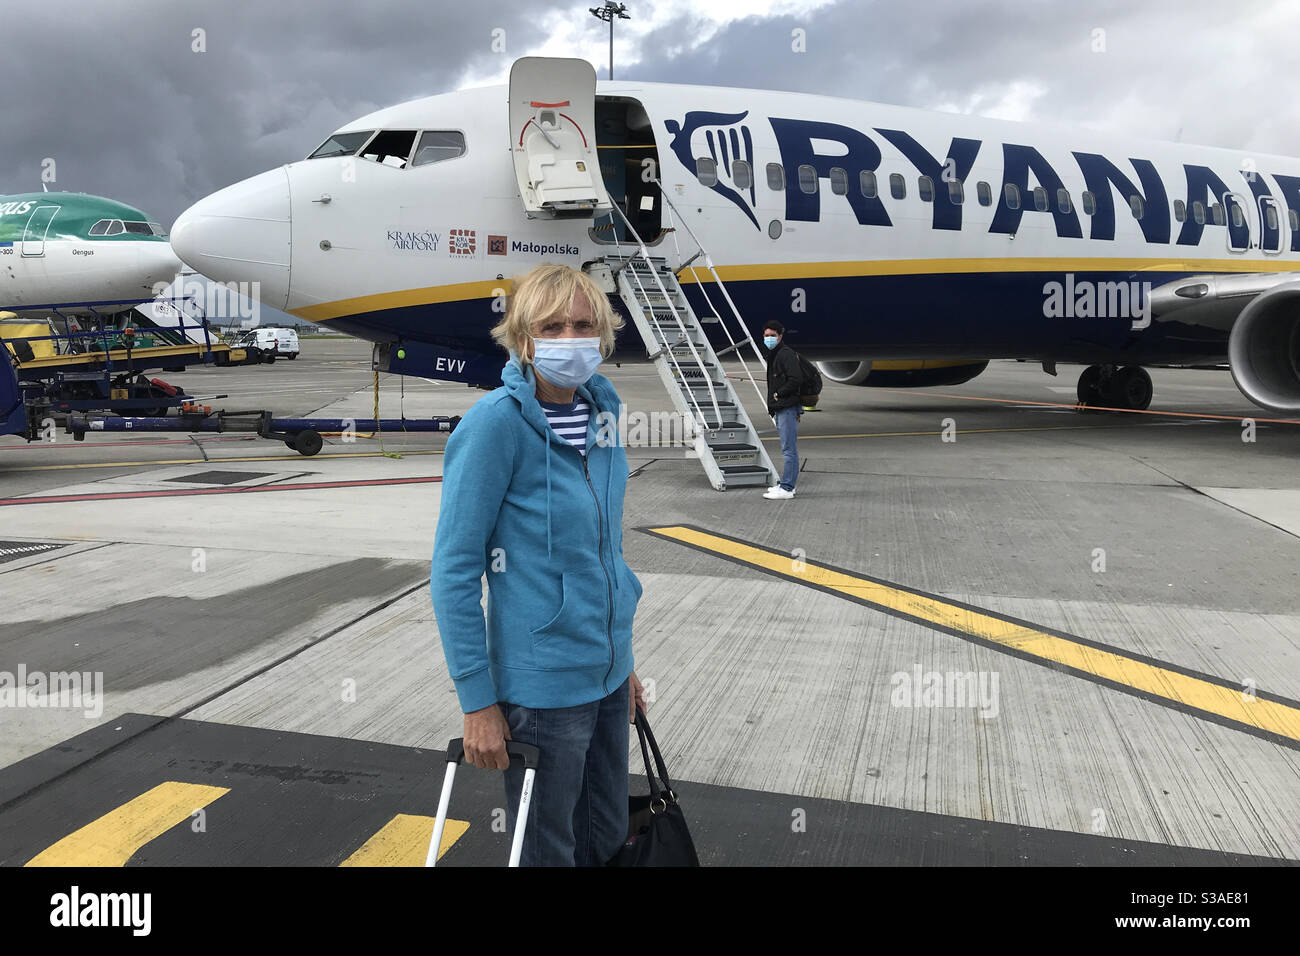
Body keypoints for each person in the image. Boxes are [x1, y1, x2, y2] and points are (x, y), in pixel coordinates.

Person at [430, 263, 649, 867]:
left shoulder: (602, 416)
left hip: (605, 677)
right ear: (524, 338)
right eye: (552, 326)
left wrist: (622, 662)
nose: (570, 338)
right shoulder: (495, 424)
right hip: (542, 688)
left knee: (605, 835)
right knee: (548, 849)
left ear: (603, 334)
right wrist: (478, 700)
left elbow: (603, 552)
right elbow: (453, 570)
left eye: (583, 324)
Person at [762, 319, 802, 499]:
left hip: (786, 407)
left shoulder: (785, 354)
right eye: (766, 336)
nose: (769, 338)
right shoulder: (775, 354)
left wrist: (779, 394)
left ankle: (787, 488)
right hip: (781, 408)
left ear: (780, 337)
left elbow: (796, 379)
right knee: (787, 448)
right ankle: (787, 485)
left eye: (772, 336)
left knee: (789, 449)